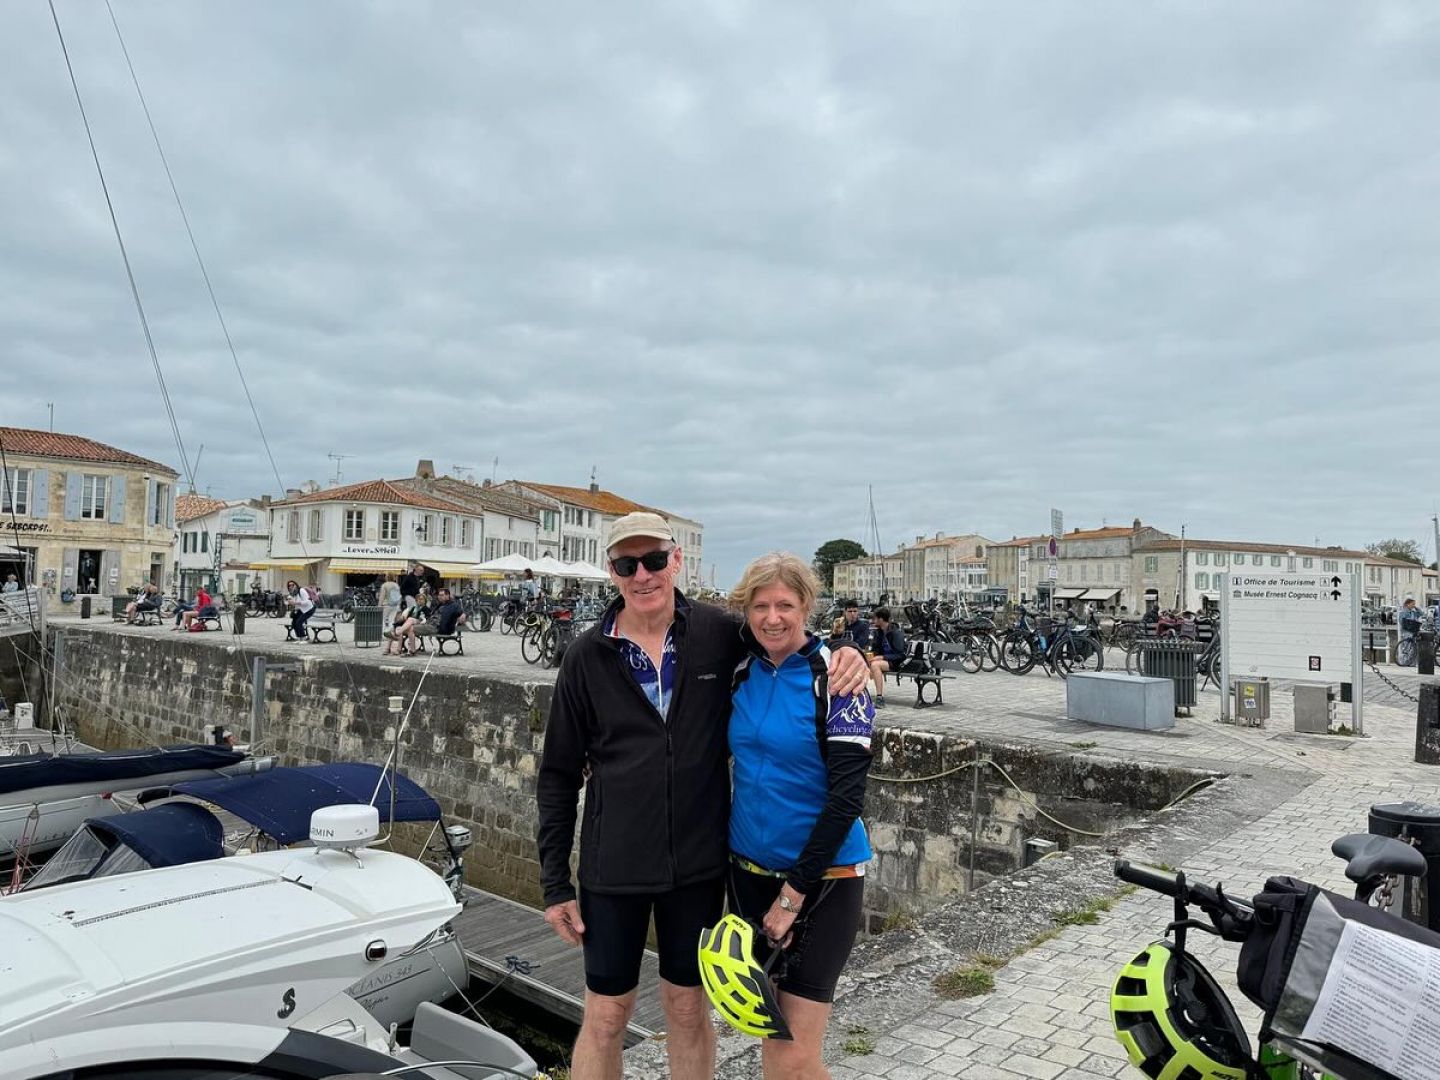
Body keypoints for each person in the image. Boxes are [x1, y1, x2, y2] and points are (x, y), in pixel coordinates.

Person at [536, 512, 867, 1080]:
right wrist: (554, 883)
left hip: (697, 867)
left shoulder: (718, 634)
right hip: (615, 864)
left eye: (654, 560)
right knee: (606, 1016)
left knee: (689, 1009)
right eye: (627, 564)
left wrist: (853, 652)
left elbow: (787, 636)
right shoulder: (586, 656)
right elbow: (558, 775)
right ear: (611, 572)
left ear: (676, 561)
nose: (642, 575)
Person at [718, 553, 872, 1078]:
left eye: (785, 605)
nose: (772, 618)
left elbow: (846, 800)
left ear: (807, 605)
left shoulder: (840, 680)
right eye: (759, 606)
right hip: (748, 874)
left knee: (792, 1058)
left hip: (822, 881)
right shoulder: (742, 670)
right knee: (771, 1045)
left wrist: (792, 896)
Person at [866, 607, 907, 708]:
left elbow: (901, 655)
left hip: (897, 663)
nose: (873, 621)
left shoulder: (896, 633)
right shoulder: (878, 632)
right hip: (884, 661)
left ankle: (880, 698)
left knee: (875, 665)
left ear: (881, 619)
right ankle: (859, 695)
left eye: (875, 618)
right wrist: (869, 655)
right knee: (863, 662)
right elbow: (875, 650)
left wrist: (882, 657)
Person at [407, 585, 468, 651]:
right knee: (408, 626)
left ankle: (411, 650)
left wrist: (464, 614)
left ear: (447, 596)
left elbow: (462, 612)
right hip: (430, 624)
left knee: (410, 628)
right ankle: (407, 648)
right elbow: (430, 614)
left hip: (437, 628)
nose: (439, 597)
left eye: (442, 595)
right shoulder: (439, 604)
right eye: (439, 595)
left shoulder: (453, 605)